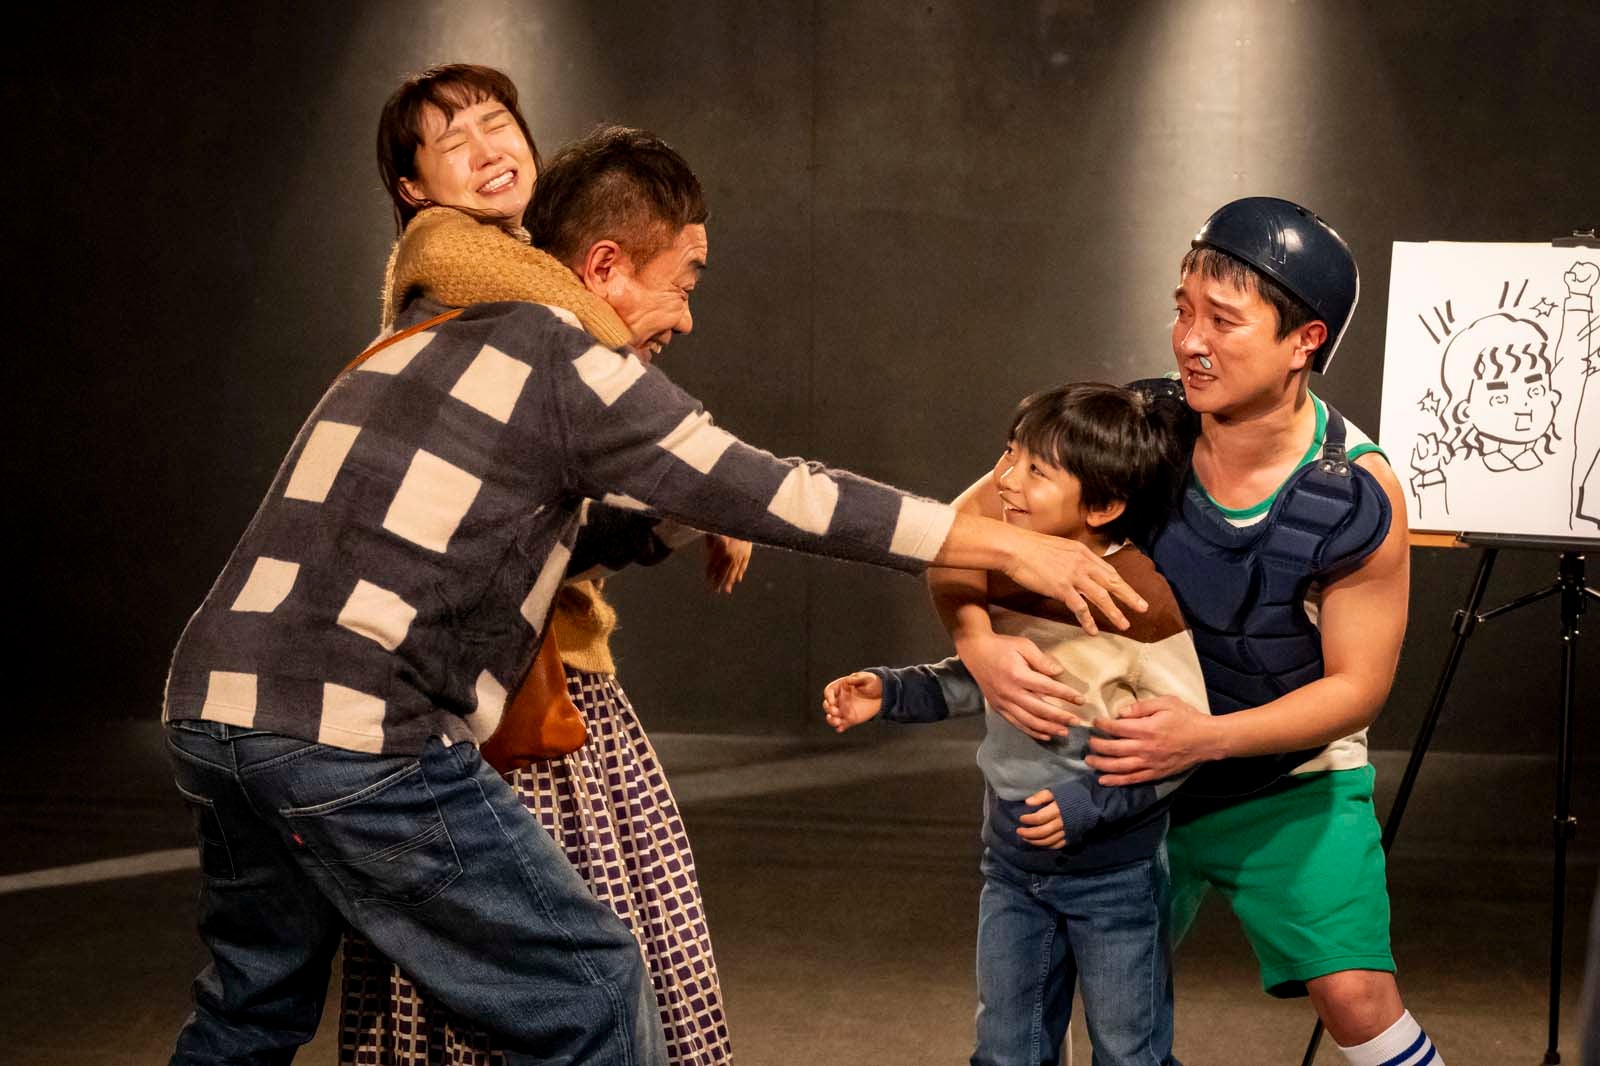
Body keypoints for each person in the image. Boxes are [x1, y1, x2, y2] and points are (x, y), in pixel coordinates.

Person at [160, 97, 1143, 1066]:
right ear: (604, 269)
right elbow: (784, 492)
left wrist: (687, 514)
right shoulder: (561, 354)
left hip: (216, 704)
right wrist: (1002, 547)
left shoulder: (426, 332)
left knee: (253, 1007)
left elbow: (536, 536)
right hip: (352, 726)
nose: (687, 313)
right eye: (684, 279)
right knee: (589, 986)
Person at [930, 198, 1448, 1065]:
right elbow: (956, 531)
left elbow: (1358, 688)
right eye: (1182, 311)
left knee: (1357, 998)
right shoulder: (1130, 433)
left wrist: (1206, 738)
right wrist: (978, 645)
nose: (1189, 341)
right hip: (1123, 785)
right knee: (1048, 1002)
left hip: (1281, 784)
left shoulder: (1353, 493)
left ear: (1305, 340)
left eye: (1223, 320)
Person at [340, 64, 746, 1066]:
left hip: (556, 685)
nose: (490, 148)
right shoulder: (467, 279)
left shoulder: (522, 291)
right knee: (561, 963)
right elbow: (549, 516)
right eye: (455, 138)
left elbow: (582, 521)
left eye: (500, 123)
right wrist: (704, 477)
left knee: (611, 952)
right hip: (497, 705)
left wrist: (691, 490)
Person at [821, 383, 1206, 1066]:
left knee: (1130, 1050)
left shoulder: (1141, 602)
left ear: (1103, 506)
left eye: (1036, 470)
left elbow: (1183, 745)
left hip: (1114, 879)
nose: (1004, 480)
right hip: (1010, 867)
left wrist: (1089, 805)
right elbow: (991, 679)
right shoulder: (1010, 570)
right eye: (1008, 455)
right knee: (1006, 1048)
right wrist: (892, 691)